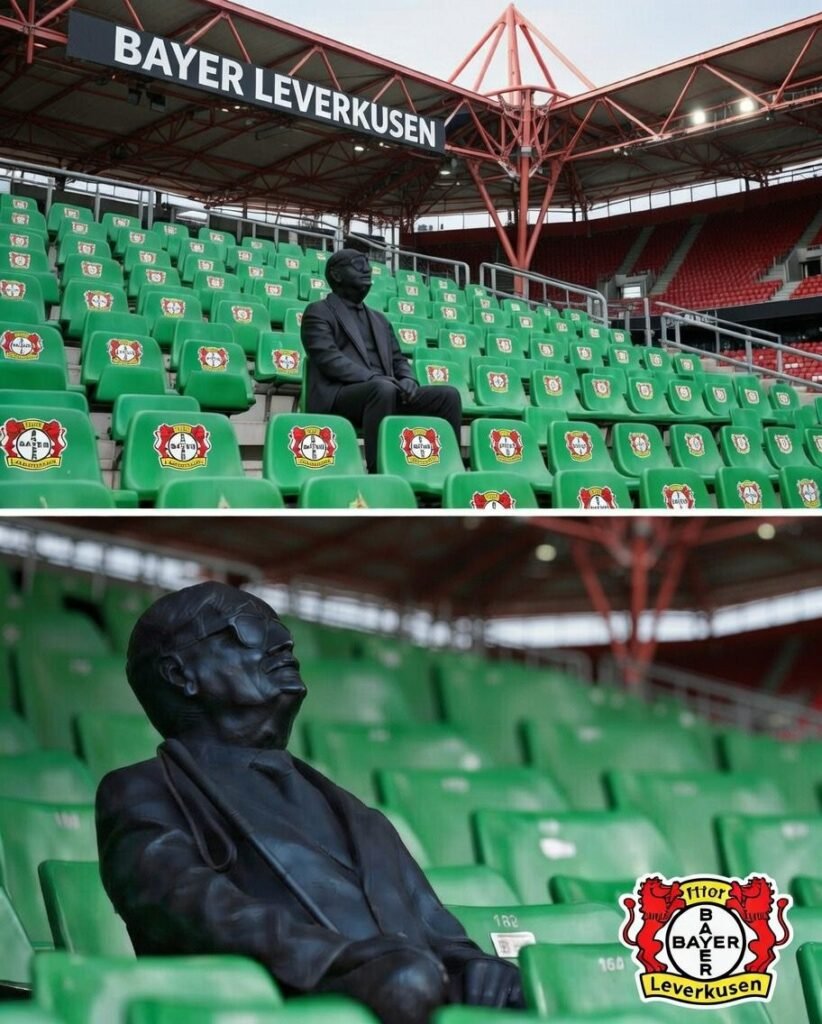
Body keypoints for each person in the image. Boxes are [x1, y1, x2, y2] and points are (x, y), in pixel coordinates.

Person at [97, 583, 523, 1024]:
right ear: (180, 674)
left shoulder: (356, 814)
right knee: (407, 984)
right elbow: (189, 910)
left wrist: (473, 967)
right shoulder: (144, 790)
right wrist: (342, 964)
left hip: (409, 988)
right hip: (286, 1004)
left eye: (278, 627)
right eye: (249, 628)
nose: (282, 640)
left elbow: (439, 933)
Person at [300, 249, 462, 472]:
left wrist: (408, 379)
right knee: (382, 388)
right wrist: (374, 378)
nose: (367, 269)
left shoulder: (379, 319)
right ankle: (380, 470)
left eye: (367, 263)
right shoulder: (318, 312)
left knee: (448, 396)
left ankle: (448, 468)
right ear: (336, 274)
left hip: (385, 390)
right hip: (341, 396)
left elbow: (398, 359)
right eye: (358, 264)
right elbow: (329, 359)